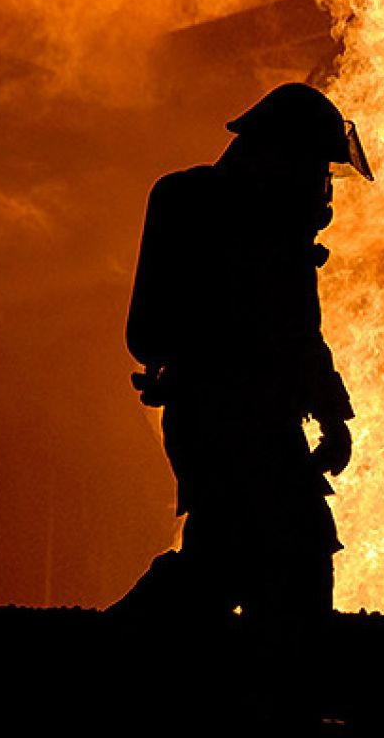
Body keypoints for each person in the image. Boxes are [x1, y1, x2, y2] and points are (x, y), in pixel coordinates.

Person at [116, 83, 371, 652]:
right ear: (285, 153)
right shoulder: (264, 230)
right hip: (239, 421)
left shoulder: (200, 204)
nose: (323, 187)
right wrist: (332, 416)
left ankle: (217, 680)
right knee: (278, 549)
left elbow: (293, 336)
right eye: (317, 167)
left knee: (231, 552)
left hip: (214, 419)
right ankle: (119, 650)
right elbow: (296, 335)